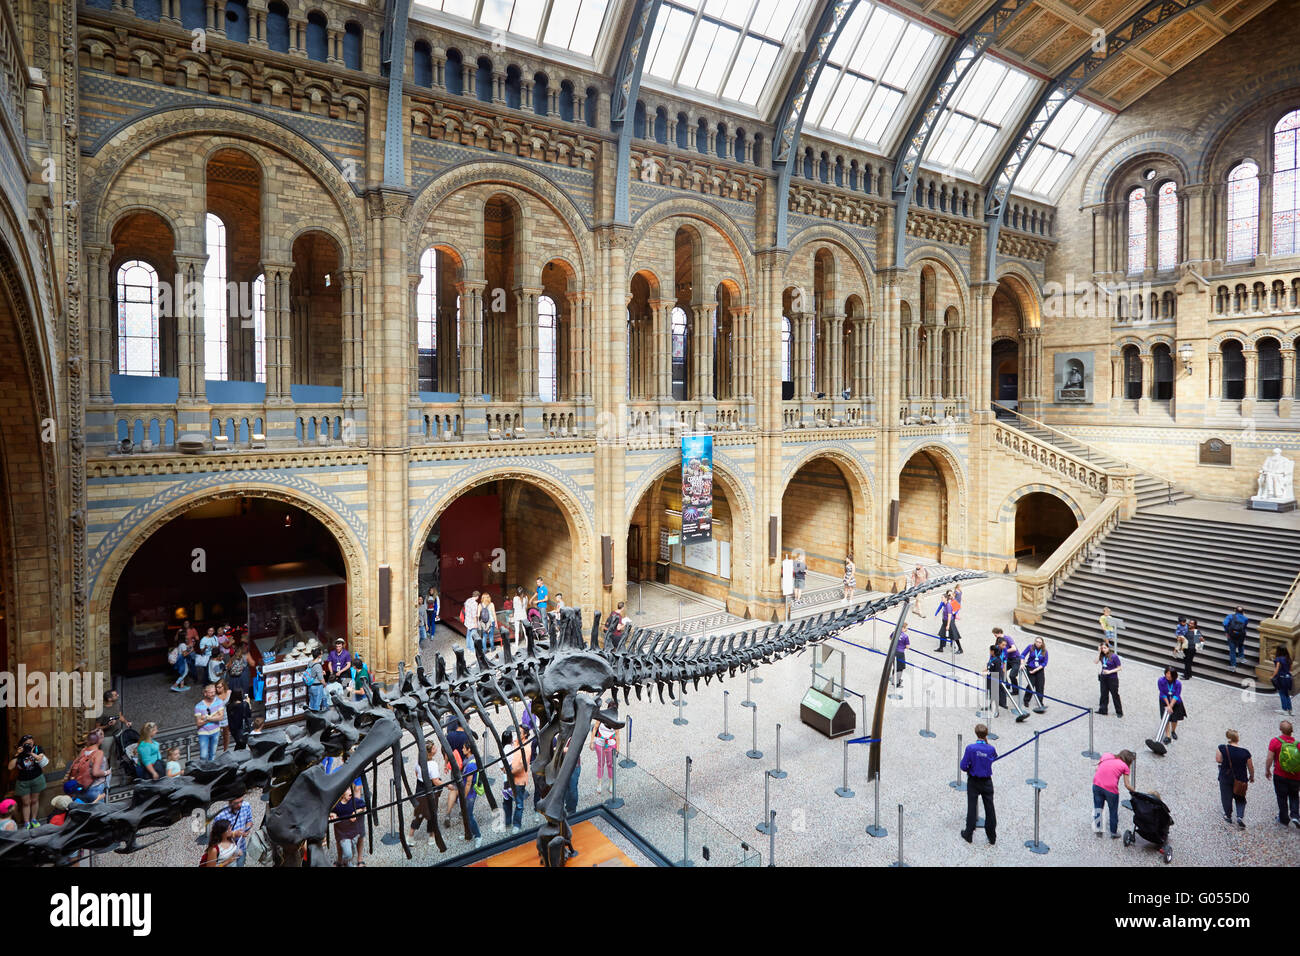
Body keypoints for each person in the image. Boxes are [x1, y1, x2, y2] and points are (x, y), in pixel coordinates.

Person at [959, 723, 997, 844]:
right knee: (990, 808)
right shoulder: (991, 748)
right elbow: (994, 758)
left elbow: (963, 766)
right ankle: (992, 836)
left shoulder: (970, 748)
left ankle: (968, 833)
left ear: (976, 733)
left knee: (971, 807)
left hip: (974, 780)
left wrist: (971, 767)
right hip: (987, 781)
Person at [1265, 719, 1300, 828]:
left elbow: (1270, 757)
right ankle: (1295, 815)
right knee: (1294, 795)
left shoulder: (1275, 741)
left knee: (1281, 797)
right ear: (1291, 731)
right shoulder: (1298, 744)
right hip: (1295, 776)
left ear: (1281, 730)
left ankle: (1284, 818)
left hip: (1280, 774)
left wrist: (1267, 769)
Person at [1092, 749, 1135, 838]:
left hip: (1097, 785)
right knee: (1113, 811)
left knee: (1098, 808)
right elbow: (1127, 785)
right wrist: (1134, 791)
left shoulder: (1106, 755)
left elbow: (1097, 769)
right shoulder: (1125, 766)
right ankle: (1113, 833)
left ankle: (1098, 829)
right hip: (1111, 790)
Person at [8, 734, 49, 827]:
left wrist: (30, 752)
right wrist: (17, 754)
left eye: (31, 743)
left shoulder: (38, 749)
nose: (29, 745)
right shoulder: (19, 753)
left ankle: (33, 819)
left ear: (33, 742)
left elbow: (39, 758)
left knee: (35, 800)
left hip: (36, 778)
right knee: (26, 803)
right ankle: (27, 822)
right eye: (26, 744)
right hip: (23, 781)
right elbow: (10, 767)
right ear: (22, 745)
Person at [1216, 730, 1254, 828]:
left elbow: (1218, 760)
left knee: (1226, 797)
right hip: (1241, 778)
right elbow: (1250, 766)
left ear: (1228, 738)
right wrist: (1252, 776)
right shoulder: (1245, 752)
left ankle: (1228, 815)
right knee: (1240, 797)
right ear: (1237, 739)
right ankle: (1240, 816)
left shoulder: (1222, 748)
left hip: (1225, 776)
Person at [64, 731, 108, 802]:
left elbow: (74, 765)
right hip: (94, 788)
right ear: (97, 740)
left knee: (84, 810)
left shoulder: (83, 751)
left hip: (80, 787)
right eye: (101, 736)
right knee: (97, 811)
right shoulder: (99, 753)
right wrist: (106, 772)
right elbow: (95, 773)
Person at [330, 785, 367, 866]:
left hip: (354, 832)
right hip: (342, 834)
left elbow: (364, 806)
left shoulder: (355, 801)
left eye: (351, 789)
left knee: (352, 851)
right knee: (348, 853)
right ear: (342, 793)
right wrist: (332, 814)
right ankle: (344, 861)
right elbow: (330, 811)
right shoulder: (337, 805)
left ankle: (349, 862)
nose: (350, 792)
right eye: (347, 790)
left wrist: (356, 812)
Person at [213, 794, 254, 867]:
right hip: (226, 852)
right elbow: (216, 834)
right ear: (229, 801)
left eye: (241, 801)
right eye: (236, 803)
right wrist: (234, 834)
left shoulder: (246, 806)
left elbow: (249, 820)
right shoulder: (220, 815)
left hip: (241, 847)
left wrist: (247, 829)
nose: (240, 805)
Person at [502, 728, 529, 833]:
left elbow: (522, 766)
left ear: (525, 734)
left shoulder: (526, 748)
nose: (517, 734)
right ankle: (507, 822)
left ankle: (516, 825)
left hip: (518, 780)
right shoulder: (516, 743)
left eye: (520, 732)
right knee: (507, 801)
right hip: (509, 780)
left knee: (519, 803)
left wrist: (508, 771)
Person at [459, 743, 483, 849]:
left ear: (469, 750)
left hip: (469, 795)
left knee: (469, 816)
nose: (462, 749)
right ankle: (469, 833)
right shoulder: (472, 761)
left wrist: (463, 796)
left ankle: (478, 836)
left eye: (464, 747)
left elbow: (468, 783)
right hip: (469, 792)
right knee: (467, 815)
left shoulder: (470, 765)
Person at [592, 705, 618, 797]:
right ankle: (599, 783)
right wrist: (592, 741)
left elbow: (617, 734)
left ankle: (611, 783)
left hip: (610, 744)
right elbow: (595, 728)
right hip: (600, 742)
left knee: (610, 764)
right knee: (600, 763)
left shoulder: (616, 718)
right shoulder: (602, 716)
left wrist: (618, 748)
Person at [194, 684, 224, 761]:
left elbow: (221, 717)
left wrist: (206, 717)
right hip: (203, 733)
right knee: (203, 755)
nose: (213, 694)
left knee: (212, 754)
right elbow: (198, 723)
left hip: (215, 731)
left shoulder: (219, 702)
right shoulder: (198, 706)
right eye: (210, 692)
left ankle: (210, 770)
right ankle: (203, 769)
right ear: (205, 693)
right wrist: (214, 716)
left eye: (214, 692)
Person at [1157, 666, 1186, 745]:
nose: (1168, 675)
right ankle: (1168, 735)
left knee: (1174, 719)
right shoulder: (1161, 681)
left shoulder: (1178, 683)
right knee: (1165, 718)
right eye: (1167, 673)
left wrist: (1171, 706)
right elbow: (1162, 693)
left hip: (1175, 702)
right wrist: (1167, 705)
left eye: (1170, 674)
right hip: (1164, 701)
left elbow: (1176, 695)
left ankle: (1173, 731)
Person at [1097, 641, 1123, 717]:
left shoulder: (1114, 656)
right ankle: (1103, 710)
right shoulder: (1101, 655)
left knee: (1115, 695)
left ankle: (1119, 712)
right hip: (1103, 677)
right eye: (1102, 648)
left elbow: (1119, 668)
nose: (1103, 650)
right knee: (1103, 694)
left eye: (1105, 648)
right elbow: (1095, 662)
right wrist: (1098, 652)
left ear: (1108, 648)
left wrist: (1109, 672)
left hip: (1112, 678)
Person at [1023, 637, 1048, 709]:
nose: (1037, 643)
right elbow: (1022, 655)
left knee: (1040, 685)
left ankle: (1040, 701)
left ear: (1042, 643)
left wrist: (1036, 670)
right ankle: (1026, 700)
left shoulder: (1045, 651)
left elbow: (1045, 663)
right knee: (1031, 684)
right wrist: (1022, 663)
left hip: (1039, 669)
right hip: (1030, 668)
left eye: (1039, 642)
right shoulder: (1030, 647)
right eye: (1036, 641)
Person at [1222, 606, 1249, 673]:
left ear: (1235, 610)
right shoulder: (1246, 618)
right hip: (1241, 635)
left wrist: (1226, 632)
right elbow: (1245, 626)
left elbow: (1225, 623)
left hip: (1231, 635)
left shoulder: (1230, 616)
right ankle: (1241, 657)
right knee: (1241, 645)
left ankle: (1233, 666)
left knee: (1232, 650)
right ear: (1243, 612)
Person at [1270, 645, 1294, 716]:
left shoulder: (1279, 659)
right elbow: (1290, 669)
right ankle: (1290, 710)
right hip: (1288, 678)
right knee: (1287, 694)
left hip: (1281, 678)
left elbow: (1277, 669)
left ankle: (1284, 710)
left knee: (1282, 694)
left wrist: (1272, 676)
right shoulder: (1288, 659)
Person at [303, 648, 327, 712]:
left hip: (311, 686)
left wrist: (321, 672)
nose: (322, 655)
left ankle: (312, 718)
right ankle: (316, 719)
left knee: (312, 704)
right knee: (316, 705)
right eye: (321, 654)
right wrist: (325, 684)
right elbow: (321, 678)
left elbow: (313, 673)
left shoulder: (310, 662)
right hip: (317, 686)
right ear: (319, 655)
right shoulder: (318, 665)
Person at [215, 678, 232, 752]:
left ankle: (225, 750)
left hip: (226, 716)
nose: (217, 689)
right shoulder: (214, 696)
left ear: (224, 686)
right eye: (216, 687)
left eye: (219, 687)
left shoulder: (229, 692)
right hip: (217, 717)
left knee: (226, 734)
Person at [463, 591, 482, 656]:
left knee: (468, 635)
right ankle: (472, 650)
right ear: (477, 596)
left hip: (467, 620)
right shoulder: (474, 603)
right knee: (472, 636)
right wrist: (475, 623)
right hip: (472, 622)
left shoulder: (468, 600)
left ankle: (468, 648)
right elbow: (474, 615)